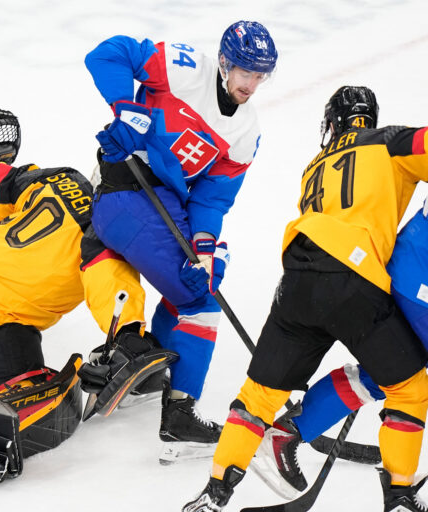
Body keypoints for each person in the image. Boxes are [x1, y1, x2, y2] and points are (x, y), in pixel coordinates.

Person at [183, 85, 428, 512]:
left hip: (296, 282)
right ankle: (400, 495)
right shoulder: (390, 141)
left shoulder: (315, 163)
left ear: (332, 122)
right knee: (409, 389)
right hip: (353, 279)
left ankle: (213, 494)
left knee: (258, 397)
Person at [0, 108, 174, 482]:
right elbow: (111, 284)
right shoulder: (107, 236)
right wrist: (128, 336)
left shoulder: (58, 178)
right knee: (38, 390)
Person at [77, 21, 278, 460]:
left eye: (260, 75)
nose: (250, 84)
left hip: (158, 203)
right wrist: (126, 107)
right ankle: (180, 416)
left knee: (199, 276)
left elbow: (212, 198)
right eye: (245, 71)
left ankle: (152, 373)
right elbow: (108, 53)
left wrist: (203, 247)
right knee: (200, 302)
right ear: (224, 62)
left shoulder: (246, 132)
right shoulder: (183, 67)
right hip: (125, 193)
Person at [251, 197, 428, 503]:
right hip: (419, 281)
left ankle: (289, 433)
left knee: (391, 368)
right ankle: (399, 493)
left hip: (402, 265)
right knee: (401, 379)